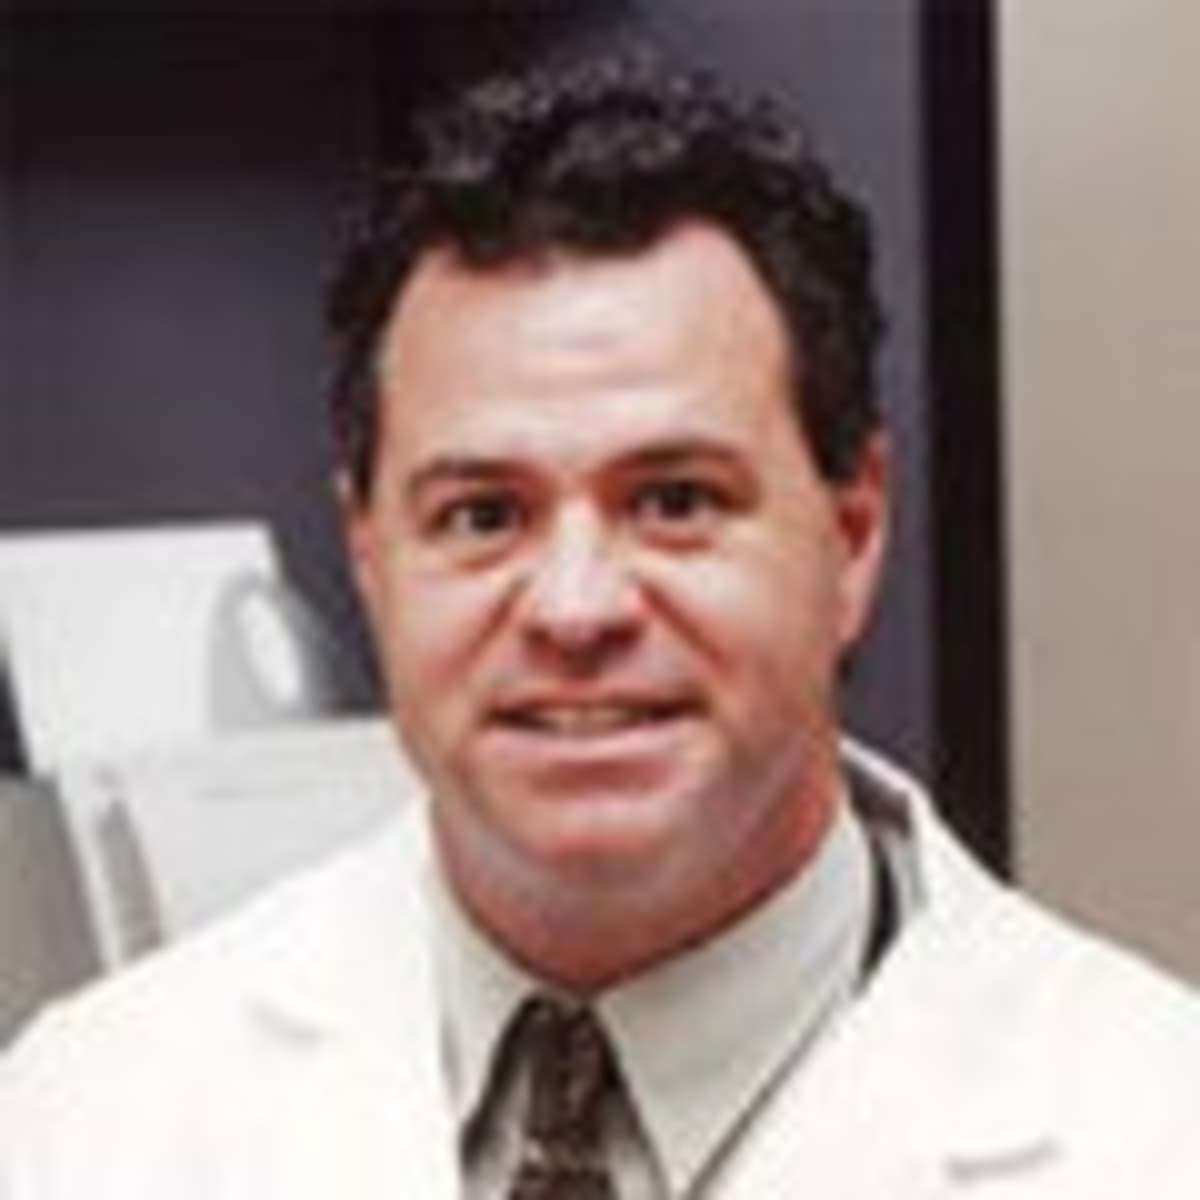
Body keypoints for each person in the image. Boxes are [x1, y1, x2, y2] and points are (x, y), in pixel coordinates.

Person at [2, 48, 1198, 1200]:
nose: (575, 608)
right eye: (483, 515)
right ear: (368, 555)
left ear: (853, 531)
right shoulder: (87, 1119)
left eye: (675, 502)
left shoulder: (1152, 1131)